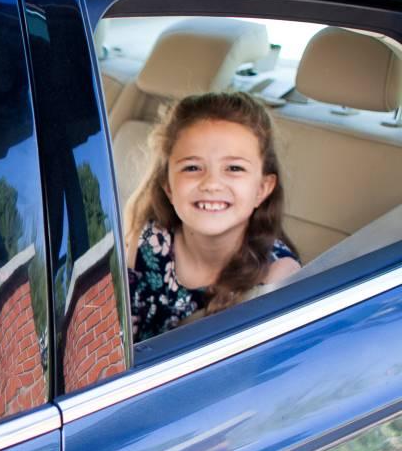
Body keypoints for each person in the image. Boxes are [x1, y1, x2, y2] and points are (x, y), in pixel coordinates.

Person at [125, 92, 301, 342]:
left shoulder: (276, 275)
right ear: (168, 187)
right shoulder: (150, 242)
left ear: (261, 189)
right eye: (192, 167)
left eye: (234, 168)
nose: (211, 184)